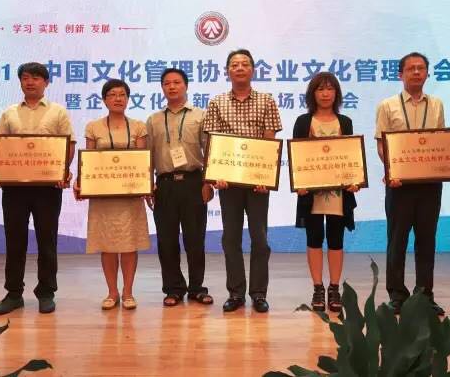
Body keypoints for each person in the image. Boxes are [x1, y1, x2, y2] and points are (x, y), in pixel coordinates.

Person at [375, 52, 450, 316]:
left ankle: (425, 296)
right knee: (397, 240)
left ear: (427, 73)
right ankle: (397, 296)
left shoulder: (436, 104)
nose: (416, 72)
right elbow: (382, 145)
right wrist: (391, 170)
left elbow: (440, 140)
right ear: (400, 74)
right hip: (399, 185)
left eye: (421, 68)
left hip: (430, 184)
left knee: (427, 240)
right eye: (411, 68)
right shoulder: (387, 105)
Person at [0, 62, 75, 315]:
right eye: (25, 77)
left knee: (47, 241)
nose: (30, 82)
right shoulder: (9, 113)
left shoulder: (58, 112)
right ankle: (13, 293)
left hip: (48, 187)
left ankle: (46, 292)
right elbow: (1, 146)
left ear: (46, 83)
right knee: (14, 240)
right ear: (20, 82)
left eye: (36, 78)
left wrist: (61, 172)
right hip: (14, 188)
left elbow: (68, 145)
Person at [202, 49, 282, 313]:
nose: (239, 68)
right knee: (231, 238)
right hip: (229, 184)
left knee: (260, 239)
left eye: (244, 64)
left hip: (257, 183)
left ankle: (258, 293)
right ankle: (236, 293)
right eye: (234, 64)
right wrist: (215, 176)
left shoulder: (266, 101)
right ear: (227, 71)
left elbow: (269, 142)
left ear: (252, 70)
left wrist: (266, 178)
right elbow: (212, 143)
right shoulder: (217, 102)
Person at [74, 79, 150, 310]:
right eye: (112, 94)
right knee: (107, 244)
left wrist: (147, 185)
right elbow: (88, 160)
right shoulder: (93, 127)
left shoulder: (138, 126)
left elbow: (143, 161)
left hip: (130, 195)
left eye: (122, 94)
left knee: (129, 244)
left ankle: (128, 292)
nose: (118, 98)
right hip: (103, 196)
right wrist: (81, 182)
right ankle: (112, 292)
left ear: (128, 99)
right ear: (104, 99)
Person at [146, 68, 215, 307]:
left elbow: (210, 151)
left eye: (177, 82)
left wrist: (208, 182)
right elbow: (147, 155)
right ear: (162, 88)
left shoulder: (201, 115)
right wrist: (147, 185)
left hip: (193, 183)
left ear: (186, 86)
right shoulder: (153, 119)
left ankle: (197, 288)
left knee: (195, 239)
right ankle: (173, 288)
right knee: (166, 241)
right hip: (164, 185)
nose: (172, 86)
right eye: (167, 83)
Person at [293, 72, 360, 313]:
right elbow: (297, 156)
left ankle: (334, 288)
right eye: (320, 89)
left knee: (336, 239)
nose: (325, 93)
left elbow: (351, 156)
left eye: (330, 89)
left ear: (337, 93)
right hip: (311, 193)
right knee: (313, 239)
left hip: (339, 194)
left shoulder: (345, 122)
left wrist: (355, 181)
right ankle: (317, 288)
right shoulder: (303, 121)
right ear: (312, 94)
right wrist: (298, 182)